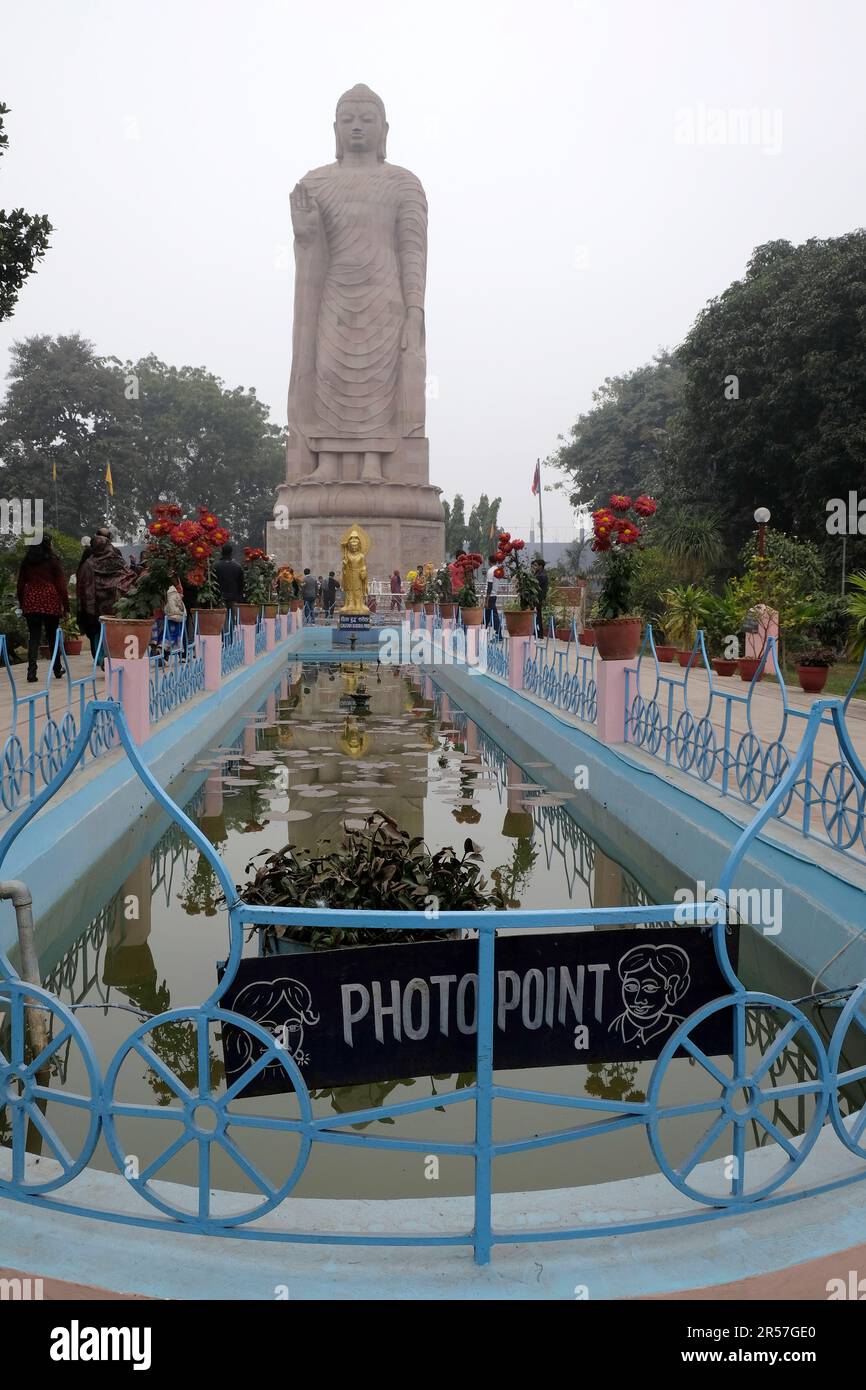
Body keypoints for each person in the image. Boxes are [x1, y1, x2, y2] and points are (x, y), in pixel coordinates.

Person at [16, 535, 69, 682]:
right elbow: (61, 585)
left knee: (34, 637)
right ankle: (57, 669)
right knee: (53, 636)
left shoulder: (27, 562)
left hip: (31, 600)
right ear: (47, 545)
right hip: (50, 600)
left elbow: (20, 585)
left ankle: (31, 672)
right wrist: (66, 606)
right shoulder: (53, 561)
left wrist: (22, 603)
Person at [76, 532, 127, 666]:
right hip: (117, 604)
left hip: (97, 606)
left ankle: (102, 658)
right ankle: (114, 656)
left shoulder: (89, 564)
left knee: (99, 631)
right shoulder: (119, 561)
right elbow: (128, 578)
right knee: (115, 631)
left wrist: (85, 607)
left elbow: (83, 586)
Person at [215, 542, 244, 626]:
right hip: (233, 597)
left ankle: (224, 637)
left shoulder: (216, 566)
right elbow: (241, 583)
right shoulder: (237, 567)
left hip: (220, 597)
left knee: (222, 619)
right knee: (232, 618)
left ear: (221, 552)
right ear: (231, 553)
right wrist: (239, 597)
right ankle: (231, 636)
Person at [164, 579, 187, 655]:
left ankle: (164, 652)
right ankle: (165, 650)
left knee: (171, 633)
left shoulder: (171, 588)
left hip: (170, 614)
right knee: (174, 634)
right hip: (176, 615)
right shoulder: (175, 588)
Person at [484, 554, 503, 638]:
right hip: (494, 595)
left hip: (490, 596)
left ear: (489, 561)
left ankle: (498, 634)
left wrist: (486, 599)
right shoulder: (497, 570)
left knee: (493, 615)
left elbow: (490, 586)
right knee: (487, 615)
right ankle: (483, 631)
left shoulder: (491, 571)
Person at [532, 556, 549, 637]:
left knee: (537, 615)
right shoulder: (538, 574)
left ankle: (539, 633)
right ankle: (537, 632)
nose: (534, 567)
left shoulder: (541, 576)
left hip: (538, 598)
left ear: (540, 566)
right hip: (537, 598)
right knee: (536, 615)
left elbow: (536, 586)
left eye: (536, 565)